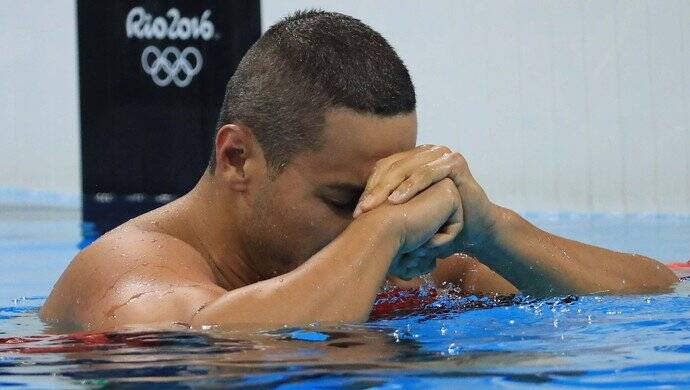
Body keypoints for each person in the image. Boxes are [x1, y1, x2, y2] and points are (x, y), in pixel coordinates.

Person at [39, 10, 678, 332]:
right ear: (238, 158)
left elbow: (651, 289)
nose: (377, 214)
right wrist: (381, 233)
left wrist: (490, 230)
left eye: (393, 190)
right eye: (348, 198)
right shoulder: (130, 268)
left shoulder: (391, 249)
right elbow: (196, 338)